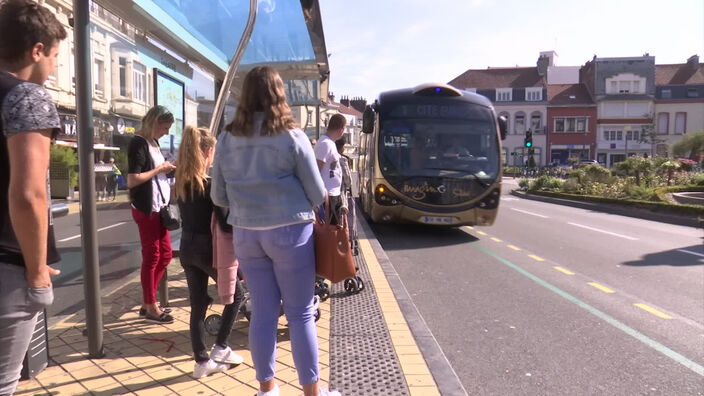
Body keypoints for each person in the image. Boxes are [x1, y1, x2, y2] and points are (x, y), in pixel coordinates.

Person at [211, 66, 340, 396]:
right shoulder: (292, 135)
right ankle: (312, 392)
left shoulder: (226, 138)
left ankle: (267, 389)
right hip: (290, 233)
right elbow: (316, 192)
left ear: (245, 96)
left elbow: (218, 196)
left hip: (246, 235)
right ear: (279, 94)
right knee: (299, 314)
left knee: (263, 315)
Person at [0, 1, 66, 394]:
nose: (55, 67)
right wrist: (37, 269)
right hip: (8, 264)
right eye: (55, 56)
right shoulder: (29, 96)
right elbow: (28, 194)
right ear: (36, 51)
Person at [174, 125, 244, 378]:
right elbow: (226, 222)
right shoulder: (210, 185)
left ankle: (201, 362)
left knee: (198, 304)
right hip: (209, 250)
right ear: (207, 152)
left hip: (187, 248)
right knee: (237, 295)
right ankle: (221, 347)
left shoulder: (182, 183)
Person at [127, 105, 176, 323]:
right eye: (164, 128)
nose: (165, 133)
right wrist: (159, 170)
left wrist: (171, 168)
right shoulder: (139, 143)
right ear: (154, 123)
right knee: (153, 256)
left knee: (165, 255)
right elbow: (133, 179)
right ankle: (151, 306)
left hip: (159, 208)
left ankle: (149, 301)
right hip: (147, 209)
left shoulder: (153, 143)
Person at [314, 113, 347, 225]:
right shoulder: (325, 144)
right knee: (330, 233)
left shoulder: (329, 143)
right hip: (327, 198)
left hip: (332, 195)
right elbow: (316, 171)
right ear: (342, 129)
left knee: (335, 232)